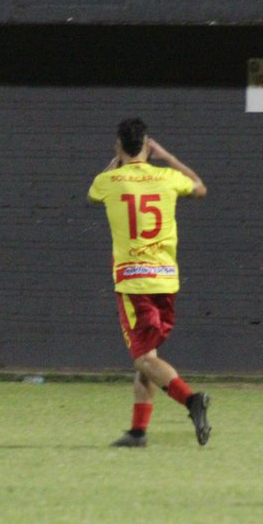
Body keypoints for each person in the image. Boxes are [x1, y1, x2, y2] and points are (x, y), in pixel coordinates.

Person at [88, 118, 211, 448]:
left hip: (134, 282)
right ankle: (138, 432)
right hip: (166, 281)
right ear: (148, 146)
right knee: (149, 358)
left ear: (118, 146)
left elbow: (93, 192)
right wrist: (167, 157)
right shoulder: (168, 177)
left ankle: (192, 400)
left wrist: (117, 161)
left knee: (143, 359)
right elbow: (199, 186)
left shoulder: (109, 181)